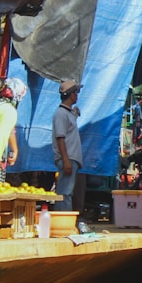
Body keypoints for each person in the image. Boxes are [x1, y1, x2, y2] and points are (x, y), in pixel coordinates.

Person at [53, 79, 83, 211]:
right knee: (65, 193)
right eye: (76, 92)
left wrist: (74, 114)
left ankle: (64, 223)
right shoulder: (61, 114)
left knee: (67, 192)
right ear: (71, 94)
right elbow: (60, 138)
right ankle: (62, 224)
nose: (77, 95)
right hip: (68, 158)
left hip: (71, 158)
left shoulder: (67, 113)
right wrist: (65, 160)